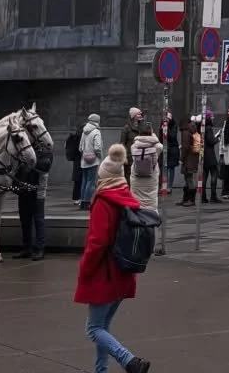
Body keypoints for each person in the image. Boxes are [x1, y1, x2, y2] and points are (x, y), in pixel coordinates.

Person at [73, 144, 150, 373]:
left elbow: (97, 242)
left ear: (103, 177)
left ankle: (129, 361)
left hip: (103, 274)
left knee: (94, 329)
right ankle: (101, 370)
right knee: (103, 326)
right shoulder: (127, 197)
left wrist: (84, 268)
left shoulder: (103, 202)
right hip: (122, 272)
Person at [15, 143, 45, 261]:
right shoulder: (22, 152)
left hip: (37, 190)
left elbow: (45, 166)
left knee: (38, 220)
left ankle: (40, 248)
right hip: (23, 190)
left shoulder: (43, 150)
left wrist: (30, 162)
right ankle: (26, 247)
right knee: (24, 220)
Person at [128, 120, 162, 214]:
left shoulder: (134, 146)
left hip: (136, 177)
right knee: (151, 202)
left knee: (137, 201)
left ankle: (137, 221)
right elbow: (159, 144)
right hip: (151, 177)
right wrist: (153, 136)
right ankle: (152, 219)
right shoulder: (157, 147)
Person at [80, 113, 104, 206]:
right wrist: (99, 156)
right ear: (97, 121)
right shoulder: (96, 132)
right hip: (93, 160)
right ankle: (87, 202)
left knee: (84, 181)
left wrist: (85, 154)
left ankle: (82, 201)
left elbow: (80, 147)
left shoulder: (84, 131)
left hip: (84, 159)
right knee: (91, 181)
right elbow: (97, 147)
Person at [180, 118, 201, 205]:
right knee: (188, 178)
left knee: (189, 178)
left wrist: (182, 158)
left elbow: (185, 147)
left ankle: (191, 200)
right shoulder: (192, 129)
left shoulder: (185, 132)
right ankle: (186, 199)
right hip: (192, 157)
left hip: (188, 158)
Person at [202, 112, 220, 203]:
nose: (213, 118)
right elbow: (210, 141)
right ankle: (213, 196)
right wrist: (217, 139)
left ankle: (203, 196)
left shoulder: (202, 127)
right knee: (214, 175)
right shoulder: (208, 128)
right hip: (210, 155)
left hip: (204, 155)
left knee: (204, 176)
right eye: (212, 116)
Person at [162, 114, 180, 196]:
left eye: (169, 119)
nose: (167, 120)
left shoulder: (173, 126)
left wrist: (166, 129)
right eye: (166, 119)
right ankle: (164, 185)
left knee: (171, 168)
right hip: (165, 149)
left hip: (172, 150)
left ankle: (170, 186)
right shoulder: (162, 125)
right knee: (164, 168)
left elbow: (173, 136)